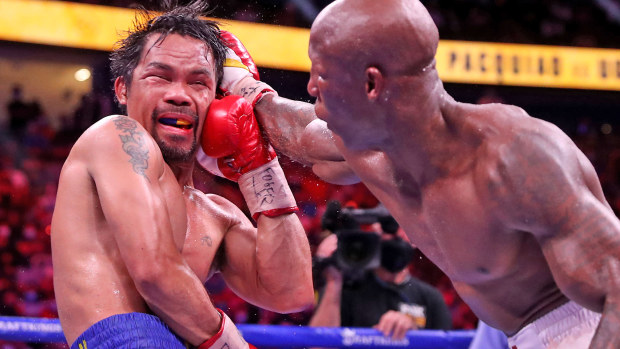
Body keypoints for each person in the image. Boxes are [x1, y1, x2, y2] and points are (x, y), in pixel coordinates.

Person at [211, 0, 620, 347]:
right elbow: (301, 131)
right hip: (512, 333)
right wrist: (240, 82)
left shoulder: (517, 158)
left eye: (322, 73)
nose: (313, 86)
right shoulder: (376, 149)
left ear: (372, 84)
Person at [50, 2, 313, 349]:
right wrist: (230, 344)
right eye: (159, 76)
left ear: (217, 100)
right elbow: (155, 273)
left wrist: (261, 164)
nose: (179, 95)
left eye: (198, 82)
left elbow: (291, 292)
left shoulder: (217, 214)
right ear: (122, 89)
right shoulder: (113, 136)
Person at [308, 202, 452, 341]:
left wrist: (413, 337)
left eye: (398, 232)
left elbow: (447, 346)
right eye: (384, 232)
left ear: (414, 239)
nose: (391, 239)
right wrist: (333, 280)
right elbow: (319, 346)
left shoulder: (430, 297)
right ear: (373, 236)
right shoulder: (346, 287)